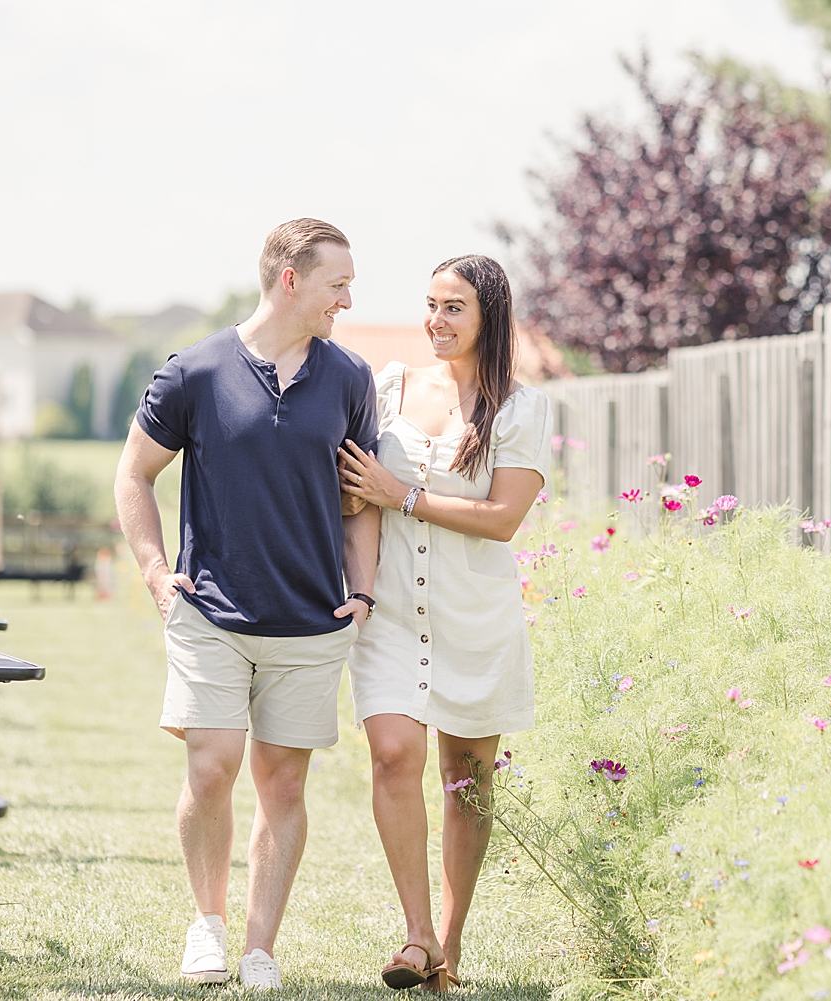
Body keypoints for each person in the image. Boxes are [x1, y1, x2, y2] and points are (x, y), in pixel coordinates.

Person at [113, 218, 378, 989]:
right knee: (211, 765)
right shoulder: (194, 371)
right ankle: (209, 926)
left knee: (283, 785)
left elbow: (360, 501)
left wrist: (361, 592)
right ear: (290, 279)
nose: (349, 299)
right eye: (338, 283)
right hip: (212, 612)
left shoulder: (350, 379)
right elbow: (134, 473)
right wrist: (157, 571)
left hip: (310, 619)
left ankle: (259, 946)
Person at [337, 254, 552, 991]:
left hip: (475, 620)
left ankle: (446, 950)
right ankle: (416, 932)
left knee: (467, 780)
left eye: (453, 306)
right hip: (392, 612)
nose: (436, 319)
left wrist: (403, 494)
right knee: (394, 752)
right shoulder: (389, 388)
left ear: (489, 314)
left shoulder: (521, 409)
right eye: (430, 303)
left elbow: (503, 518)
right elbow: (355, 494)